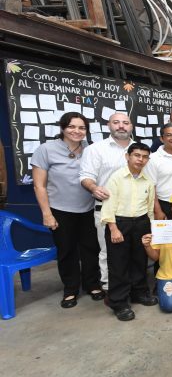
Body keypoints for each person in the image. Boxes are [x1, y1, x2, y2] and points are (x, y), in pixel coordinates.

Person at [32, 112, 102, 308]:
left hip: (88, 208)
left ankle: (92, 284)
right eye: (72, 127)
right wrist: (47, 214)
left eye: (81, 128)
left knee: (91, 249)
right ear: (63, 128)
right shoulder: (46, 150)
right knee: (66, 250)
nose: (77, 131)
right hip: (60, 210)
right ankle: (71, 289)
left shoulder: (91, 149)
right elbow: (39, 186)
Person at [100, 143, 158, 321]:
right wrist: (113, 228)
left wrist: (151, 228)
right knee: (119, 264)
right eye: (137, 155)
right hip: (120, 223)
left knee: (139, 261)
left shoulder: (147, 181)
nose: (140, 160)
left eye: (144, 157)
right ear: (128, 156)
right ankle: (119, 302)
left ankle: (138, 293)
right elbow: (108, 205)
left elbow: (149, 209)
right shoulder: (116, 178)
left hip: (141, 223)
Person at [80, 112, 135, 290]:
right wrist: (94, 188)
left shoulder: (139, 149)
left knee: (134, 252)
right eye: (116, 122)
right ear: (109, 125)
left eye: (125, 123)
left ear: (131, 126)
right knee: (108, 251)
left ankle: (133, 286)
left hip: (135, 211)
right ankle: (110, 288)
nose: (121, 126)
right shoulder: (95, 150)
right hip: (107, 210)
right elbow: (86, 177)